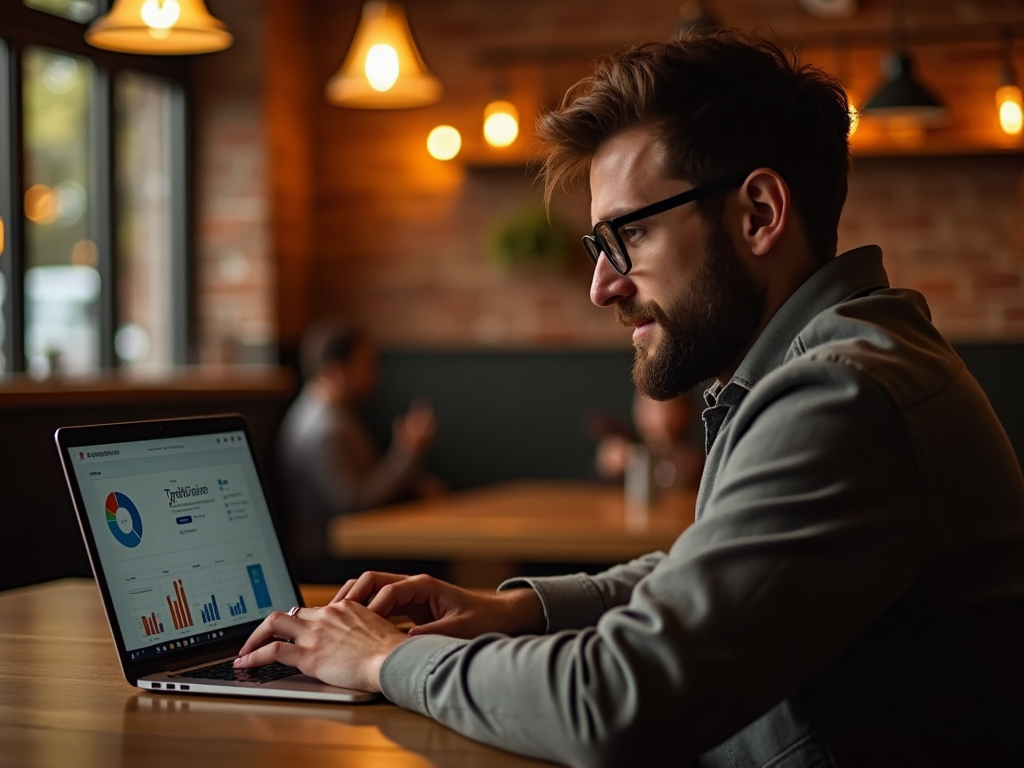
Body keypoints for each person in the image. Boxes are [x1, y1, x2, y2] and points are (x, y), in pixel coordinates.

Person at [239, 30, 1024, 767]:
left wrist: (385, 656)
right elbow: (708, 572)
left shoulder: (842, 395)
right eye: (599, 245)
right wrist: (517, 610)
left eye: (629, 236)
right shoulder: (830, 362)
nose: (602, 285)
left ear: (759, 214)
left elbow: (614, 701)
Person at [276, 318, 441, 582]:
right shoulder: (324, 429)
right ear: (335, 370)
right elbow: (354, 505)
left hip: (344, 550)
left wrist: (411, 484)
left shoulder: (334, 415)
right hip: (330, 559)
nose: (374, 373)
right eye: (365, 363)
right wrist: (407, 453)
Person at [594, 390, 704, 491]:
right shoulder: (627, 449)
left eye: (671, 407)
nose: (661, 418)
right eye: (651, 407)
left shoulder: (701, 454)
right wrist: (606, 468)